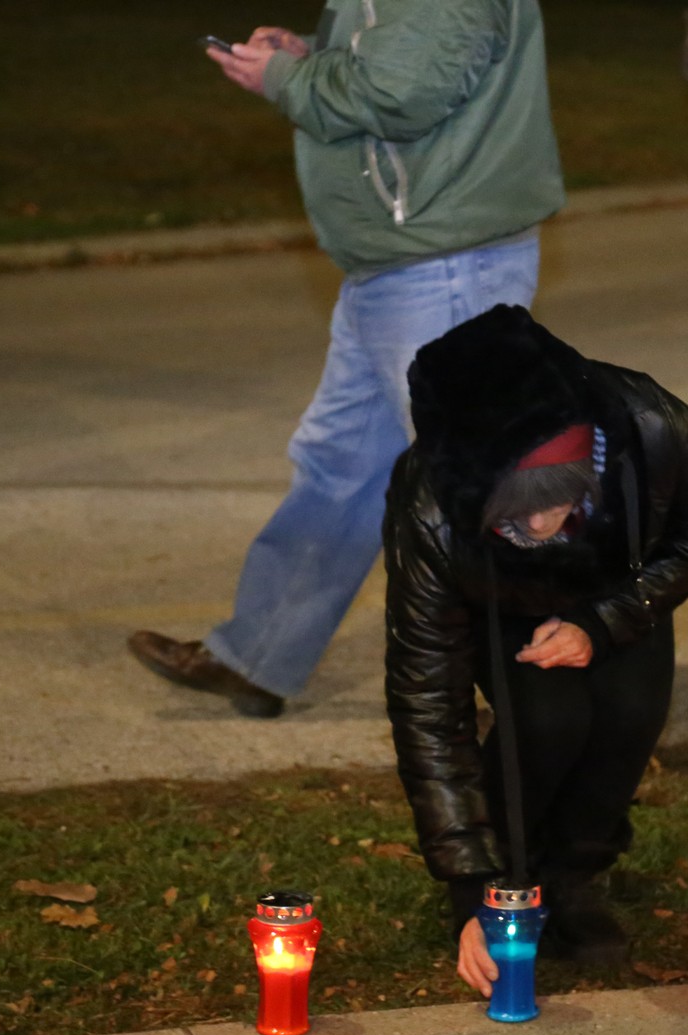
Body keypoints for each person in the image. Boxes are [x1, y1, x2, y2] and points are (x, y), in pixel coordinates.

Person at [128, 0, 565, 717]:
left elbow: (403, 92)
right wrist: (308, 56)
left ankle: (566, 702)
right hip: (402, 263)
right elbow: (404, 53)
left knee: (485, 493)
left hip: (441, 264)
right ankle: (258, 657)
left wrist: (284, 80)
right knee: (342, 470)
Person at [380, 305, 688, 991]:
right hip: (499, 601)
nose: (541, 524)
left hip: (623, 584)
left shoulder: (650, 425)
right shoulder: (431, 508)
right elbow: (428, 700)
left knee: (631, 712)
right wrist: (470, 887)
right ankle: (508, 883)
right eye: (514, 513)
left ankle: (576, 874)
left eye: (559, 500)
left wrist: (602, 622)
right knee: (548, 721)